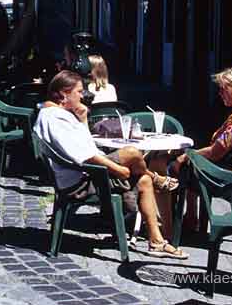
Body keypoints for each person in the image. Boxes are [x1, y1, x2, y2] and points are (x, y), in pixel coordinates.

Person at [34, 70, 187, 259]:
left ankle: (157, 242)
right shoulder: (56, 118)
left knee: (144, 179)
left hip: (84, 174)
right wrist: (118, 170)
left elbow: (82, 145)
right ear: (64, 94)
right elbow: (86, 156)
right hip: (82, 181)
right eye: (79, 92)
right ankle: (157, 179)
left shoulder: (53, 113)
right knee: (132, 152)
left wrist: (82, 121)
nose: (83, 96)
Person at [155, 66, 232, 231]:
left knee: (176, 167)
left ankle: (174, 225)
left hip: (227, 177)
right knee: (192, 165)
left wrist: (187, 155)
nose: (220, 93)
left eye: (224, 89)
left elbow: (215, 152)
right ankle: (191, 218)